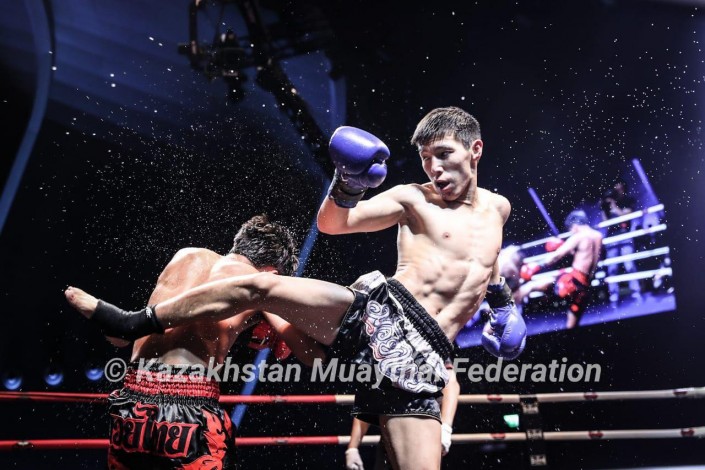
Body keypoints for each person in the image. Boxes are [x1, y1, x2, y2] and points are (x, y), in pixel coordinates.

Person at [66, 107, 527, 470]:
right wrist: (346, 185)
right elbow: (334, 224)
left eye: (442, 154)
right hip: (385, 315)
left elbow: (483, 262)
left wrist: (503, 305)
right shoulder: (413, 197)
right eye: (426, 158)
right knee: (261, 287)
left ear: (475, 150)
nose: (433, 168)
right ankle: (131, 321)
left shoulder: (499, 210)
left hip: (423, 357)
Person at [96, 215, 325, 469]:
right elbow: (310, 355)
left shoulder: (185, 256)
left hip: (132, 400)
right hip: (190, 406)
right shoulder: (259, 281)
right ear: (272, 271)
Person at [345, 364, 459, 470]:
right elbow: (370, 398)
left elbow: (450, 381)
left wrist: (446, 428)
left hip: (422, 432)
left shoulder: (429, 352)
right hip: (393, 433)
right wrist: (352, 448)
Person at [520, 210, 603, 329]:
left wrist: (537, 265)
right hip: (586, 284)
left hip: (573, 281)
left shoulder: (578, 236)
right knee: (573, 320)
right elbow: (588, 256)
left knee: (531, 286)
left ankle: (512, 309)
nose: (571, 231)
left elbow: (556, 256)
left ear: (575, 225)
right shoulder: (598, 235)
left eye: (571, 229)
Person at [600, 179, 642, 303]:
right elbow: (606, 223)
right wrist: (603, 208)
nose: (617, 188)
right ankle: (613, 294)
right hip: (612, 236)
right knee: (612, 267)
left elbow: (626, 216)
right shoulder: (608, 202)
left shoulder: (628, 200)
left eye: (619, 186)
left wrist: (614, 206)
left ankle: (636, 291)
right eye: (615, 186)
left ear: (623, 187)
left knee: (629, 264)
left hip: (625, 235)